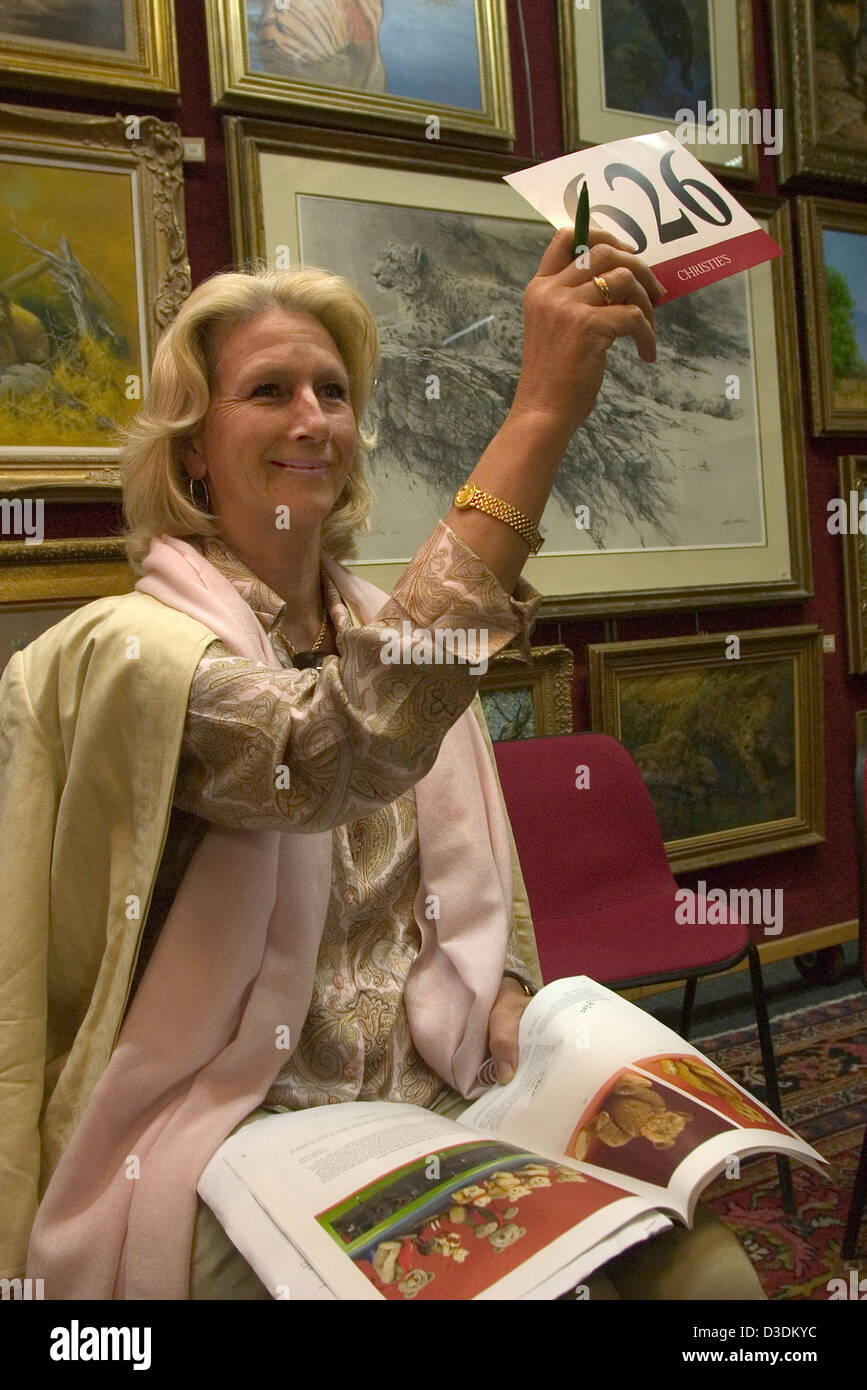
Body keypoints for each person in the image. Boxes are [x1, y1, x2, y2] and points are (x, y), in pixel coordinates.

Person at [0, 225, 765, 1300]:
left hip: (437, 1099)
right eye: (269, 391)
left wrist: (509, 1007)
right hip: (234, 1129)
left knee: (712, 1276)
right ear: (188, 450)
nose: (313, 418)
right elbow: (334, 749)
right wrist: (538, 415)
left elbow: (468, 896)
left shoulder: (377, 623)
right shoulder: (138, 652)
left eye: (332, 391)